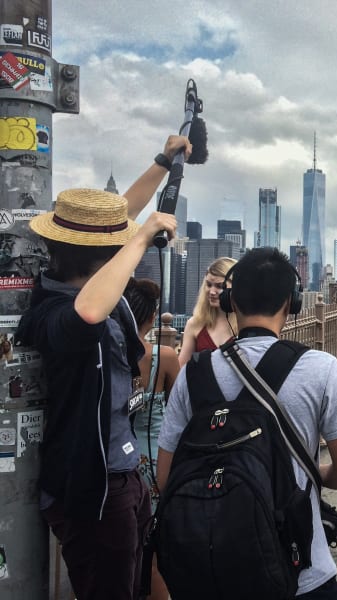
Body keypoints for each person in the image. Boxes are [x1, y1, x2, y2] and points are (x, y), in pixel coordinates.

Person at [16, 135, 189, 600]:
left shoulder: (88, 284)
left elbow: (120, 217)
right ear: (103, 254)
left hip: (123, 471)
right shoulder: (55, 312)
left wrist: (162, 162)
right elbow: (88, 314)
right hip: (91, 488)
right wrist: (141, 237)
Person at [157, 246, 337, 598]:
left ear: (230, 302)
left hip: (210, 571)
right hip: (301, 571)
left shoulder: (193, 374)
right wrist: (313, 477)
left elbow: (166, 478)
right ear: (292, 303)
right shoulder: (321, 368)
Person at [124, 277, 180, 600]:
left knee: (126, 548)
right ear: (152, 316)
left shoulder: (115, 355)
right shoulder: (165, 356)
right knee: (155, 551)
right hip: (159, 461)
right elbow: (179, 410)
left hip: (121, 462)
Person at [178, 256, 238, 365]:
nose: (212, 291)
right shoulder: (195, 323)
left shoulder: (246, 325)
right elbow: (181, 370)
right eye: (209, 285)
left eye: (220, 286)